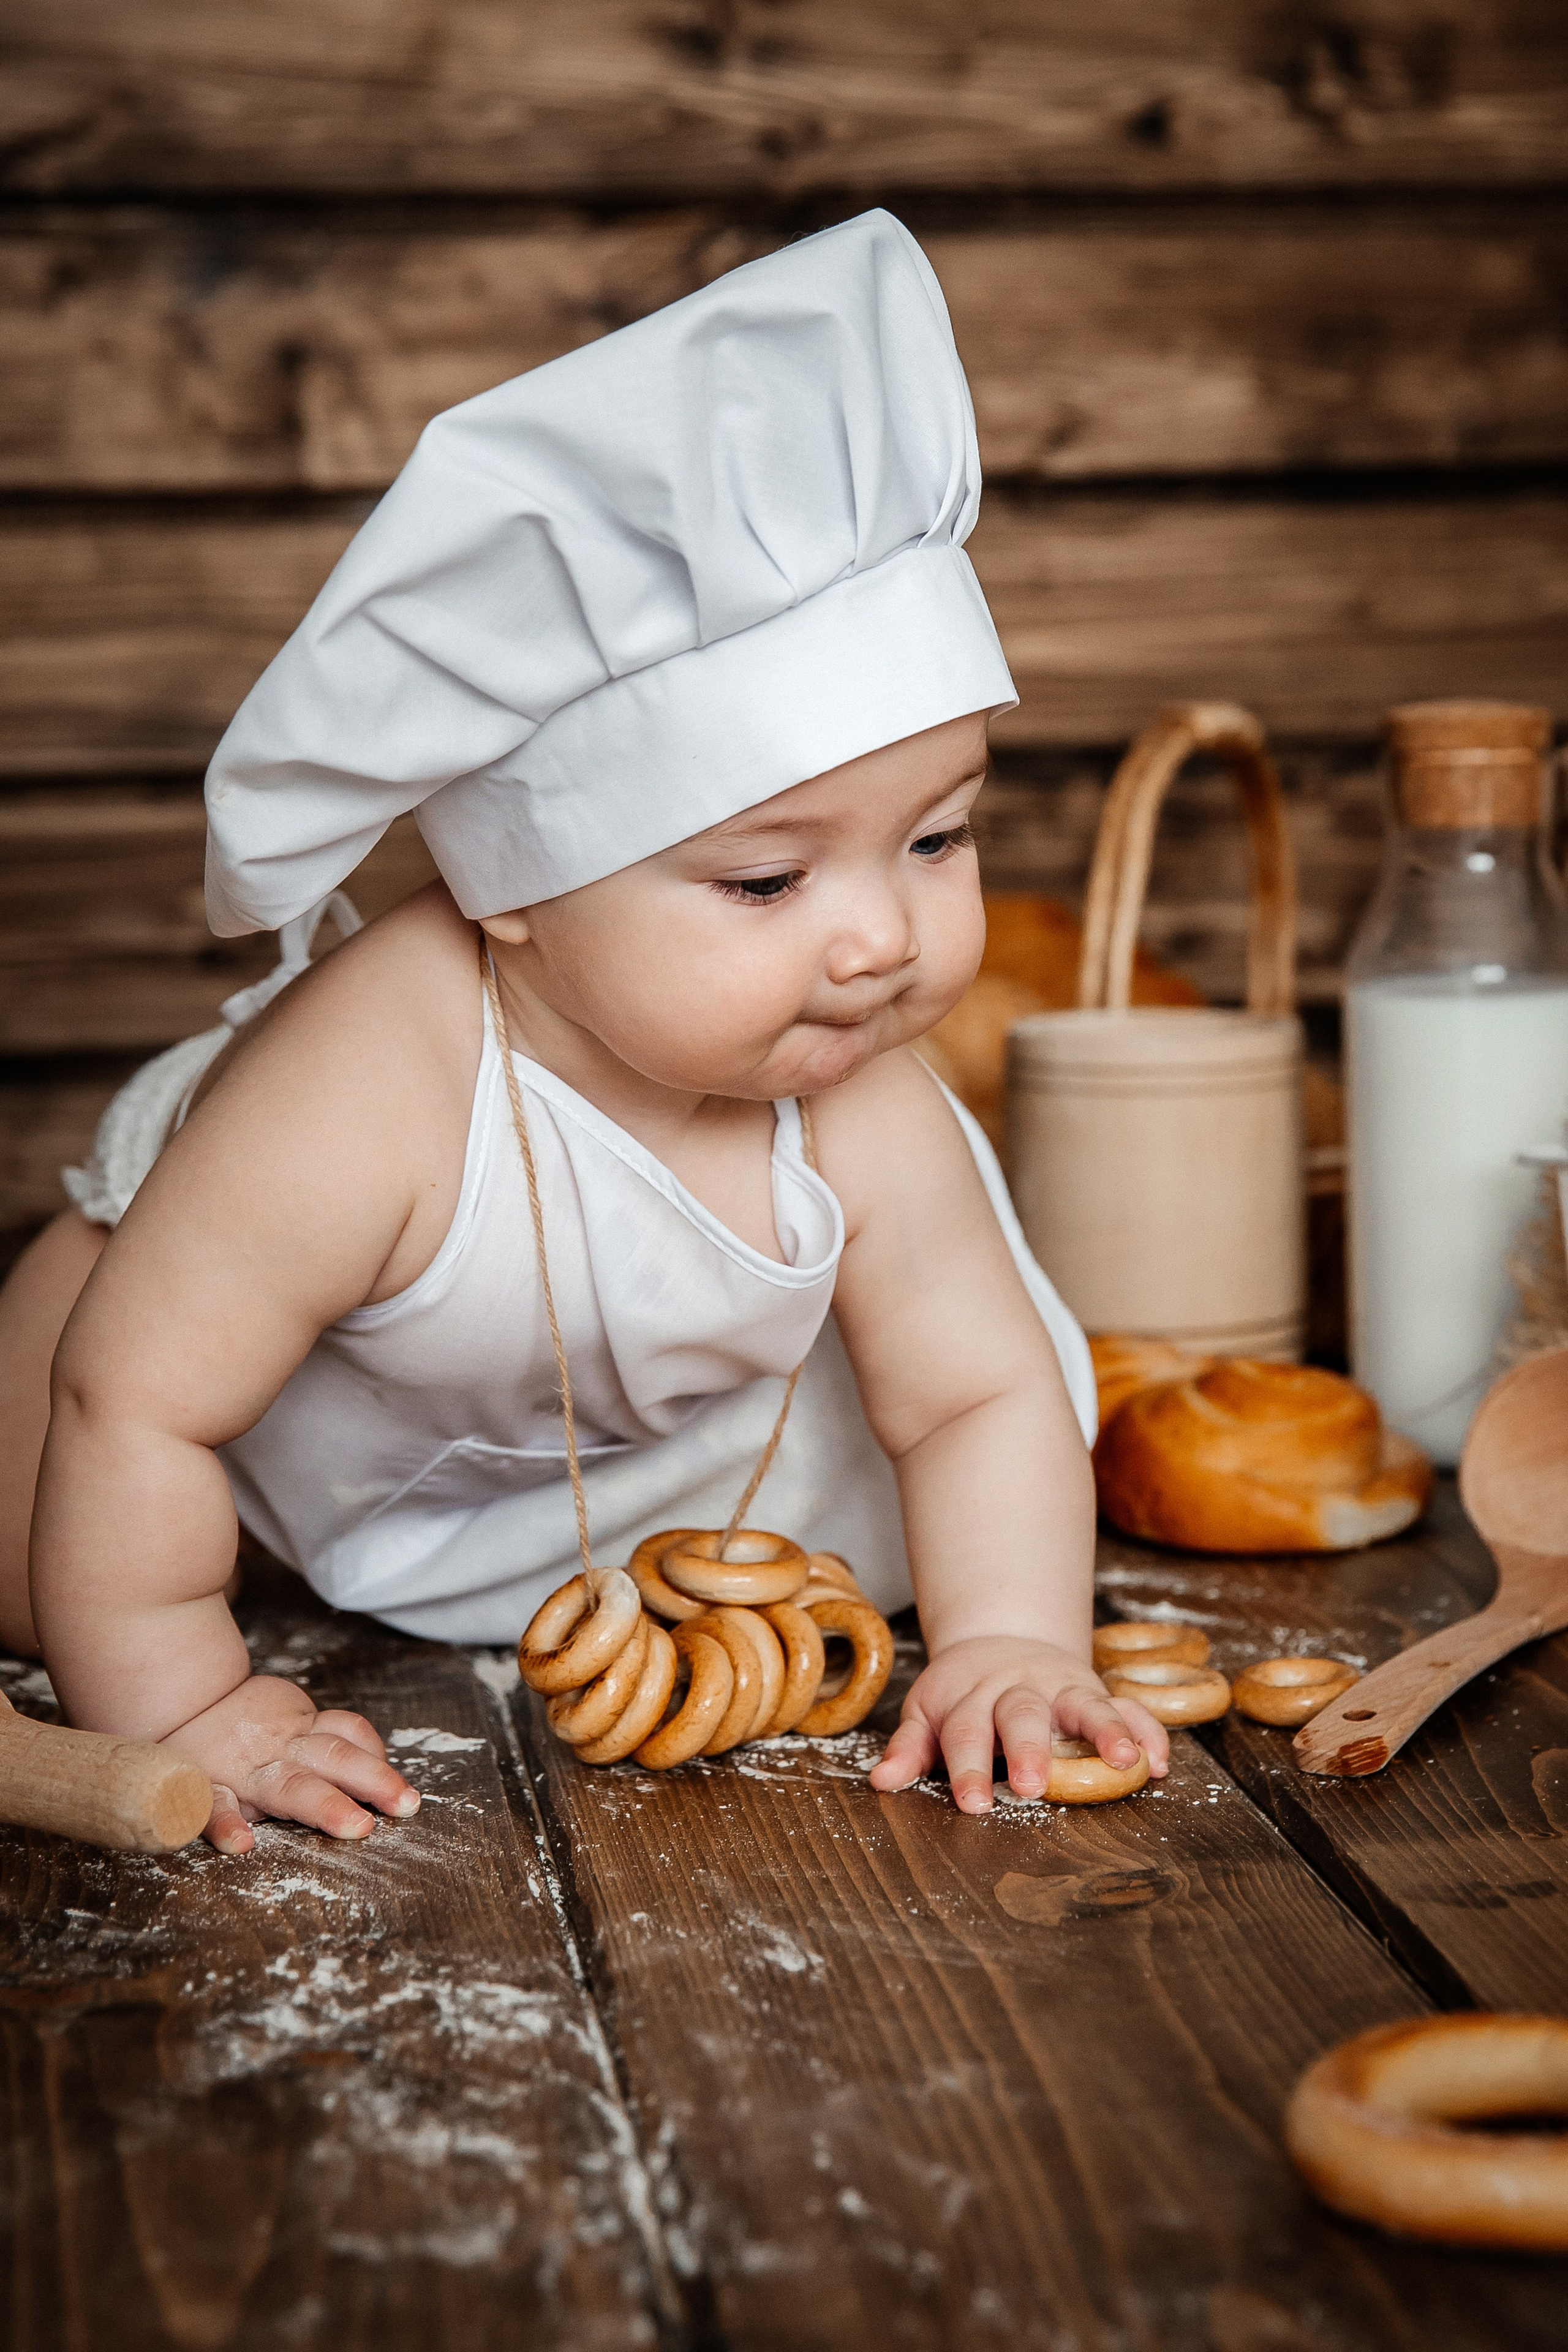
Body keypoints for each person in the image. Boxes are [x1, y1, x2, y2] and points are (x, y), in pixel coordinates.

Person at [0, 213, 1169, 1854]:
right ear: (517, 895)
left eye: (941, 836)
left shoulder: (849, 1096)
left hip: (574, 1474)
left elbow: (977, 1394)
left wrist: (1010, 1642)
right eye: (767, 878)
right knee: (39, 1554)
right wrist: (189, 1700)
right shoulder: (372, 1088)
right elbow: (141, 1403)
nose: (883, 936)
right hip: (195, 1415)